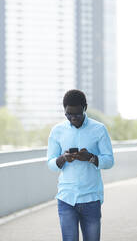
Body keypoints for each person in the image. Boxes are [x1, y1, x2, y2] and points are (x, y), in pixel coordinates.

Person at [47, 89, 114, 241]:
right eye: (68, 115)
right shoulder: (57, 131)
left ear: (85, 108)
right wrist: (63, 158)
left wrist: (90, 157)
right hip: (66, 198)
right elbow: (50, 163)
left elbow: (109, 161)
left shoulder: (99, 129)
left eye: (77, 114)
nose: (73, 118)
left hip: (91, 198)